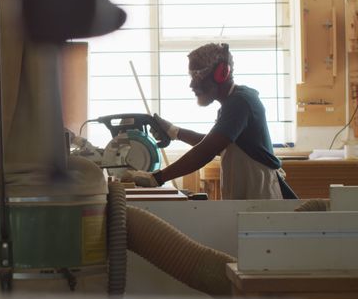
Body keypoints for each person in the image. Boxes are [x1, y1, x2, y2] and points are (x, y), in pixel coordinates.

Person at [124, 42, 297, 200]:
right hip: (251, 193)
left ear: (222, 73)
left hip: (260, 195)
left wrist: (157, 178)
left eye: (197, 76)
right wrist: (174, 131)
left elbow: (207, 150)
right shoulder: (233, 101)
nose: (192, 84)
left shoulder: (239, 102)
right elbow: (215, 142)